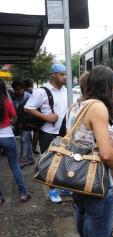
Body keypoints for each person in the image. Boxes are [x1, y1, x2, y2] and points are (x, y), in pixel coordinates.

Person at [68, 65, 113, 237]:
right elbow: (106, 152)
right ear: (107, 86)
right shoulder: (98, 107)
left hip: (76, 176)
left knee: (89, 227)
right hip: (96, 181)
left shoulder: (77, 105)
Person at [24, 63, 68, 203]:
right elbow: (28, 108)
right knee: (50, 162)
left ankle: (63, 186)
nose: (65, 77)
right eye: (62, 74)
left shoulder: (66, 91)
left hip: (64, 132)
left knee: (64, 161)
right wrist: (46, 117)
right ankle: (52, 190)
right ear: (53, 75)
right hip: (48, 132)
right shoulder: (42, 91)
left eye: (65, 74)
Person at [0, 78, 31, 204]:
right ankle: (23, 194)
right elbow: (14, 119)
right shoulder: (7, 102)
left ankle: (0, 197)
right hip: (7, 136)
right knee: (15, 166)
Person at [11, 79, 35, 168]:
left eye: (18, 89)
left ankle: (24, 159)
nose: (16, 92)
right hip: (20, 123)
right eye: (15, 90)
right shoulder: (14, 99)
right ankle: (31, 158)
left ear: (23, 88)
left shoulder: (29, 97)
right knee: (26, 140)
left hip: (29, 123)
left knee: (23, 140)